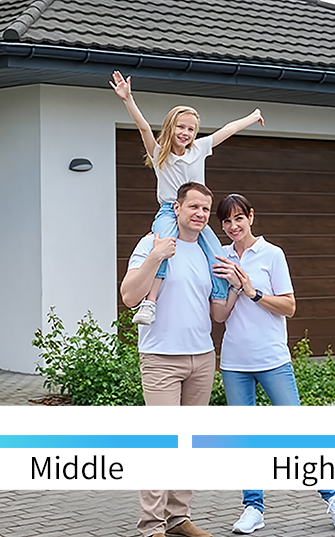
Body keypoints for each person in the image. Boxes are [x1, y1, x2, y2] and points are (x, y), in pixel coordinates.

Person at [209, 194, 335, 534]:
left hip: (273, 359)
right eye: (226, 222)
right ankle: (253, 508)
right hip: (234, 363)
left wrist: (251, 290)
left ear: (251, 217)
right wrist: (233, 287)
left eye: (238, 219)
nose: (233, 226)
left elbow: (289, 306)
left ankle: (333, 497)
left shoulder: (272, 255)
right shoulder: (221, 257)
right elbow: (218, 316)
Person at [111, 70, 263, 325]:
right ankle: (150, 302)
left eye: (191, 129)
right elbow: (144, 126)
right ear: (171, 128)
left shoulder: (200, 148)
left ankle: (218, 298)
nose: (186, 132)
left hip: (196, 214)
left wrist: (253, 116)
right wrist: (128, 99)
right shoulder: (160, 153)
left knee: (216, 252)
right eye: (181, 127)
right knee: (162, 248)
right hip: (170, 212)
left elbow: (228, 129)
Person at [120, 182, 229, 537]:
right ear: (177, 208)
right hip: (161, 357)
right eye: (193, 206)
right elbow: (129, 297)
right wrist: (155, 256)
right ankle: (152, 526)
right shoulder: (152, 242)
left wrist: (239, 288)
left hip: (202, 357)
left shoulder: (207, 253)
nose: (199, 214)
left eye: (204, 209)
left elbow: (217, 314)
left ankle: (178, 518)